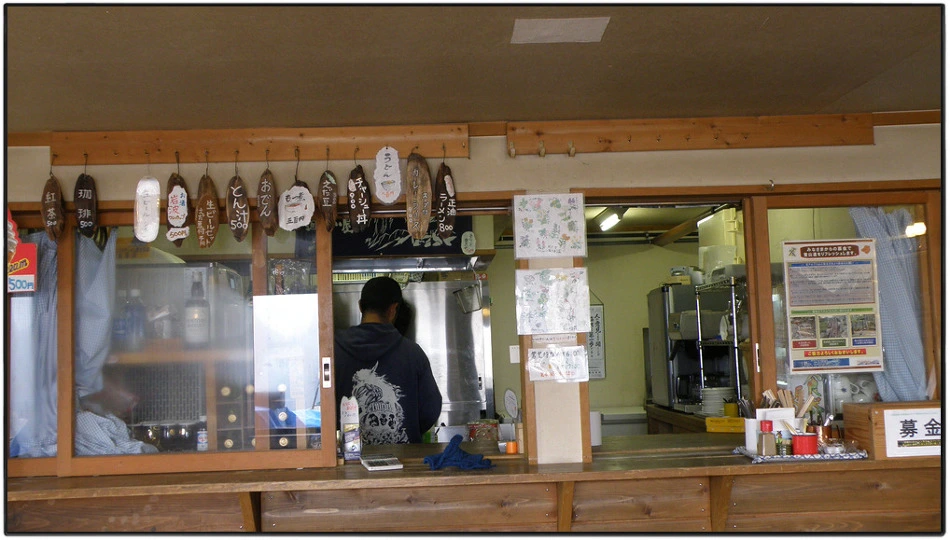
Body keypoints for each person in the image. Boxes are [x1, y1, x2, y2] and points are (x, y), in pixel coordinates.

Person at [334, 277, 442, 444]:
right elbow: (430, 410)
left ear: (360, 306)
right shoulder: (413, 353)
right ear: (394, 309)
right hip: (403, 456)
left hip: (351, 456)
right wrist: (409, 428)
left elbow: (324, 410)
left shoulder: (333, 351)